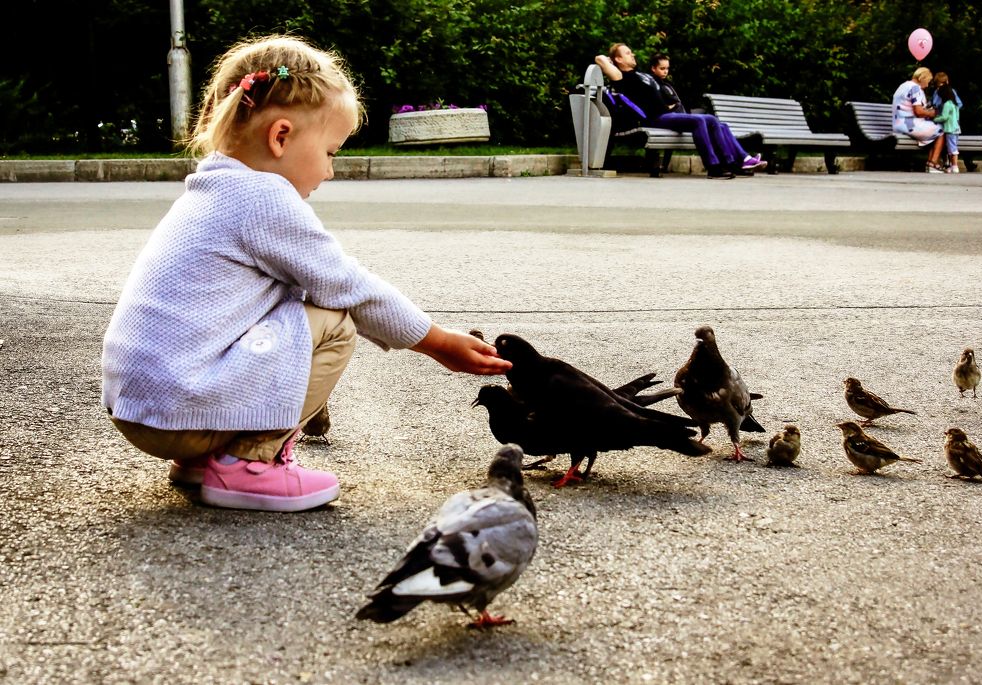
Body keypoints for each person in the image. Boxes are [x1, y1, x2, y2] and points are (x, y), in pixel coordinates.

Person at [101, 35, 511, 513]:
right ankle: (248, 463)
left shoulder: (211, 188)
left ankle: (208, 459)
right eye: (332, 152)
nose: (331, 172)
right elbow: (349, 287)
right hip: (182, 411)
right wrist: (437, 342)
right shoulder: (263, 198)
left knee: (290, 304)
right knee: (333, 322)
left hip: (142, 408)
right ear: (280, 137)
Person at [595, 44, 765, 179]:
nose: (633, 55)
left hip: (668, 115)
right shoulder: (621, 77)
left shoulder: (640, 74)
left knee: (712, 120)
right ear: (617, 59)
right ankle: (713, 167)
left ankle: (730, 162)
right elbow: (599, 59)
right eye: (627, 53)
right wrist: (609, 61)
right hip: (656, 118)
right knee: (699, 121)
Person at [648, 53, 766, 176]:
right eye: (662, 68)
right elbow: (665, 105)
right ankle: (727, 163)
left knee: (723, 126)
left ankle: (744, 159)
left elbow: (675, 103)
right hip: (666, 117)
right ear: (653, 68)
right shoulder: (652, 83)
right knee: (705, 120)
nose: (665, 71)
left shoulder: (665, 84)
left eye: (667, 68)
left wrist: (675, 105)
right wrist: (673, 105)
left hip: (679, 115)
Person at [891, 66, 945, 173]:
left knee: (932, 127)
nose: (927, 85)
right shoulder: (916, 88)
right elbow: (919, 112)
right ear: (922, 78)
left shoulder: (903, 85)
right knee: (941, 130)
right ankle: (932, 163)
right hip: (908, 125)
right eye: (928, 81)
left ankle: (931, 162)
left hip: (898, 124)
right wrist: (935, 113)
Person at [934, 83, 962, 173]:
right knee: (953, 146)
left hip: (950, 129)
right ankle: (952, 165)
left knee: (952, 148)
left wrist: (935, 119)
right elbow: (957, 117)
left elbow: (944, 117)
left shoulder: (947, 104)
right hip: (956, 129)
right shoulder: (955, 104)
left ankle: (955, 166)